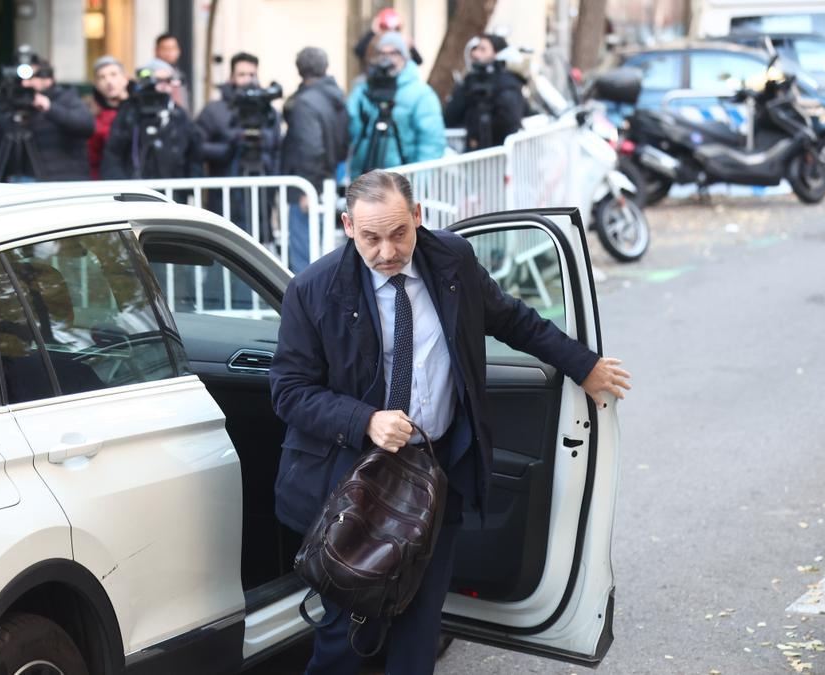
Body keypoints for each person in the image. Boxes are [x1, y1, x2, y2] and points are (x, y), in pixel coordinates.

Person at [269, 170, 631, 675]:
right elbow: (290, 392)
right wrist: (366, 420)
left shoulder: (451, 261)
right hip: (354, 486)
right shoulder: (315, 290)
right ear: (348, 226)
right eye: (371, 237)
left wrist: (582, 364)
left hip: (435, 480)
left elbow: (510, 318)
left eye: (399, 233)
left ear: (418, 217)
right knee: (349, 639)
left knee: (418, 634)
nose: (387, 251)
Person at [280, 46, 348, 273]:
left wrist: (306, 189)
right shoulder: (335, 97)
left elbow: (311, 149)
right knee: (320, 252)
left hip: (306, 186)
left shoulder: (306, 103)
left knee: (304, 258)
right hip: (327, 178)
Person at [347, 32, 445, 176]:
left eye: (394, 53)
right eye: (382, 53)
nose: (387, 58)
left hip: (404, 176)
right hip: (365, 178)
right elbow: (350, 125)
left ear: (405, 57)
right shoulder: (363, 90)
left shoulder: (421, 93)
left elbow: (431, 142)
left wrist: (419, 180)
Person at [0, 53, 94, 181]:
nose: (25, 84)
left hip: (64, 181)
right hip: (27, 181)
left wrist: (49, 108)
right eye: (22, 79)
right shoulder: (18, 105)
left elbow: (86, 126)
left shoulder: (67, 98)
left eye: (31, 78)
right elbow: (0, 146)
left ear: (48, 79)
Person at [100, 60, 201, 180]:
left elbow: (193, 157)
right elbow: (113, 155)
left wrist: (188, 191)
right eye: (159, 81)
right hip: (136, 190)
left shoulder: (178, 114)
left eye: (168, 80)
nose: (164, 86)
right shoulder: (130, 112)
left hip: (172, 191)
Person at [195, 52, 282, 179]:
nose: (247, 79)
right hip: (226, 186)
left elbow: (277, 150)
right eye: (241, 74)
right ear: (232, 77)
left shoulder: (269, 112)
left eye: (252, 75)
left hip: (263, 185)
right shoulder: (214, 110)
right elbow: (197, 146)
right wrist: (228, 148)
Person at [444, 34, 527, 150]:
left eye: (483, 49)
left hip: (497, 154)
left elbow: (509, 122)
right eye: (476, 49)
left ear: (498, 54)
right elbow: (450, 116)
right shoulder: (469, 81)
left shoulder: (507, 84)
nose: (475, 54)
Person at [88, 56, 128, 180]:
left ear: (125, 78)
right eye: (102, 77)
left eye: (113, 74)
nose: (109, 81)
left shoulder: (140, 109)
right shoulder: (93, 117)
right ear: (96, 84)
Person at [353, 8, 422, 68]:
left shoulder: (402, 41)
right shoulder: (375, 42)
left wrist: (411, 47)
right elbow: (358, 51)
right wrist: (372, 32)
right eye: (386, 30)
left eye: (395, 30)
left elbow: (418, 61)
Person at [154, 32, 189, 109]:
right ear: (156, 50)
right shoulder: (151, 71)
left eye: (172, 48)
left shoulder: (179, 74)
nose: (169, 52)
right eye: (165, 49)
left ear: (178, 51)